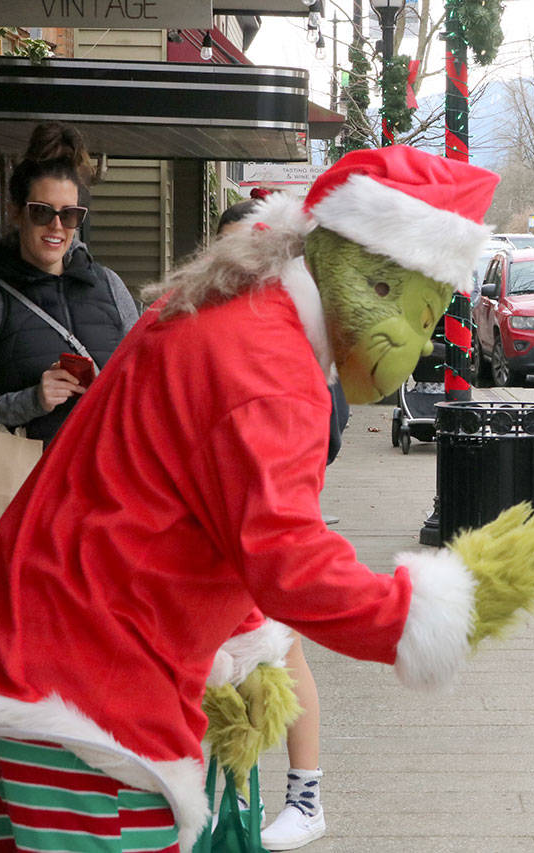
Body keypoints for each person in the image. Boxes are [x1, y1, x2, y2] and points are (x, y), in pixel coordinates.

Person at [0, 146, 534, 853]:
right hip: (87, 680)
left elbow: (199, 500)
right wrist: (424, 613)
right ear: (375, 281)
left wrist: (246, 642)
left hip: (38, 645)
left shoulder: (235, 303)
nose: (420, 346)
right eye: (424, 317)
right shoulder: (273, 370)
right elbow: (289, 558)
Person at [0, 121, 138, 604]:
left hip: (104, 509)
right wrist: (28, 401)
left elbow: (144, 386)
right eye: (43, 212)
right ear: (16, 213)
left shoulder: (109, 287)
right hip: (18, 510)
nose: (56, 227)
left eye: (70, 215)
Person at [216, 194, 337, 850]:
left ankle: (302, 793)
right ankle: (232, 797)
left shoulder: (291, 333)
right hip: (212, 528)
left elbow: (330, 427)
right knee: (222, 664)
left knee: (280, 651)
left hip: (270, 523)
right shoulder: (200, 325)